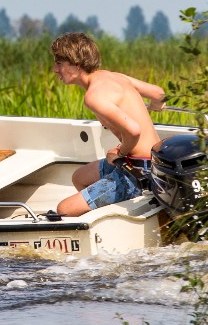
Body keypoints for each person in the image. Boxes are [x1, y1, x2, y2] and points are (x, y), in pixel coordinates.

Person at [48, 31, 168, 216]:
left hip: (137, 171)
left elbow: (134, 131)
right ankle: (109, 214)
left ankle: (120, 211)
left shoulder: (93, 97)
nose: (55, 70)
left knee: (64, 209)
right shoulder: (114, 76)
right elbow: (159, 93)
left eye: (59, 63)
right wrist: (154, 106)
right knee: (79, 177)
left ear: (76, 64)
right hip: (152, 161)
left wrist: (120, 152)